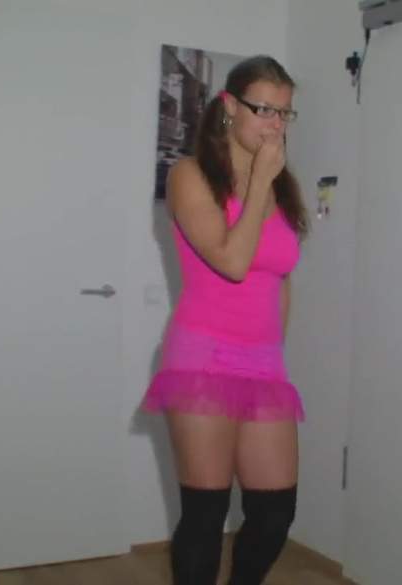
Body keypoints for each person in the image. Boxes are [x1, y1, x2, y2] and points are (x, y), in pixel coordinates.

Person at [143, 55, 308, 585]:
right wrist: (259, 183)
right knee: (205, 515)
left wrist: (274, 352)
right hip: (204, 357)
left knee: (275, 513)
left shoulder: (281, 187)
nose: (275, 124)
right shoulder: (189, 176)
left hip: (264, 363)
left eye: (284, 113)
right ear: (229, 107)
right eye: (264, 110)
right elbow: (233, 262)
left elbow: (280, 277)